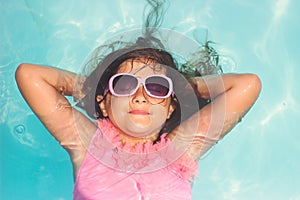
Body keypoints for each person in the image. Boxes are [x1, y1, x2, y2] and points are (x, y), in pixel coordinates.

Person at [15, 2, 261, 200]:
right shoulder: (88, 143)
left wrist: (187, 87)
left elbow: (246, 85)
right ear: (104, 102)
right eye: (124, 84)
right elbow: (30, 75)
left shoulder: (180, 151)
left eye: (157, 87)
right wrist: (91, 89)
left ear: (170, 106)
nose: (141, 96)